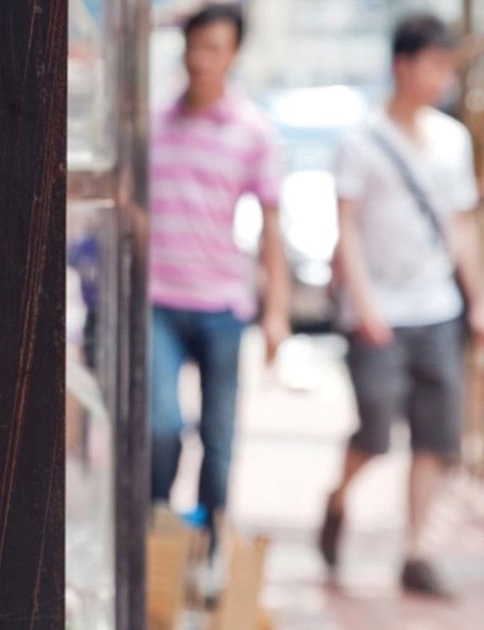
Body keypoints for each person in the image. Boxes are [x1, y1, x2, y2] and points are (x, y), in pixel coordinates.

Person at [319, 12, 483, 597]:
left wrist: (477, 300)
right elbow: (347, 227)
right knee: (375, 431)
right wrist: (364, 304)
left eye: (447, 67)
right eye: (433, 65)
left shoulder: (452, 139)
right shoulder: (360, 140)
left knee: (436, 437)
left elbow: (460, 225)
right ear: (402, 65)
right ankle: (337, 499)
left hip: (437, 307)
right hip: (376, 313)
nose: (442, 78)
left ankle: (416, 552)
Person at [148, 2, 289, 541]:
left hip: (223, 306)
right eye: (195, 46)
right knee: (160, 427)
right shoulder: (153, 125)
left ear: (233, 55)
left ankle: (209, 546)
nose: (201, 59)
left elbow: (271, 228)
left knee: (220, 434)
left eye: (214, 49)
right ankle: (156, 533)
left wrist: (276, 313)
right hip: (157, 301)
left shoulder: (253, 131)